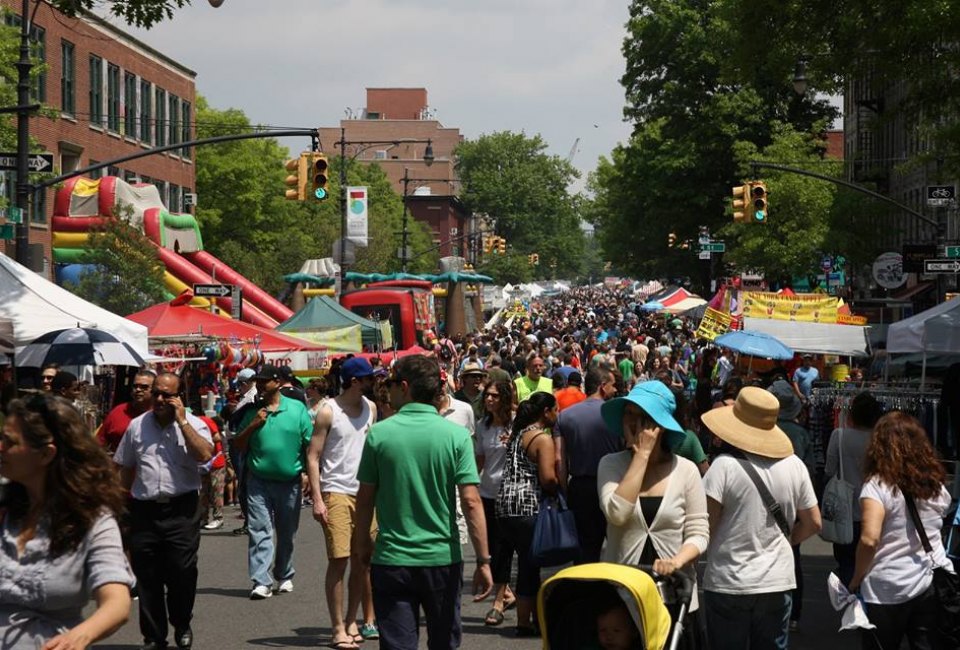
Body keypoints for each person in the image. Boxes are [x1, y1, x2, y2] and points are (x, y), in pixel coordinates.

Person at [353, 354, 493, 649]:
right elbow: (470, 501)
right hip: (442, 557)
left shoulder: (378, 435)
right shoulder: (455, 436)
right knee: (444, 641)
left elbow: (365, 500)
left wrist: (361, 544)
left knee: (397, 643)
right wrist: (483, 560)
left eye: (390, 383)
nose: (387, 390)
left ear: (404, 386)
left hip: (392, 558)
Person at [0, 393, 134, 648]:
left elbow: (117, 603)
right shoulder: (6, 509)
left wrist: (79, 636)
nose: (0, 447)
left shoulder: (92, 520)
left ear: (45, 454)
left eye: (9, 441)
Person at [699, 387, 821, 650]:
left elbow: (707, 525)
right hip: (777, 580)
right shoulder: (795, 465)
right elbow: (813, 522)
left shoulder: (723, 466)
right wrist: (788, 540)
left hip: (729, 580)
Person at [598, 381, 709, 648]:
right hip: (622, 596)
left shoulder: (686, 471)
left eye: (642, 418)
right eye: (629, 414)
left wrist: (677, 560)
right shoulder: (610, 465)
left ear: (659, 425)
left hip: (675, 596)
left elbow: (699, 532)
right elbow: (617, 513)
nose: (633, 424)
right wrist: (641, 457)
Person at [114, 371, 214, 650]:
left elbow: (205, 455)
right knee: (147, 577)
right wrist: (116, 503)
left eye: (166, 395)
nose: (159, 399)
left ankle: (181, 621)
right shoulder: (137, 426)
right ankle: (154, 637)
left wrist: (182, 421)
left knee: (182, 570)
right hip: (144, 510)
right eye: (155, 393)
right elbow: (123, 467)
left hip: (181, 510)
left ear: (178, 397)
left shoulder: (193, 424)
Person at [847, 412, 955, 650]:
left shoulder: (877, 486)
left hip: (886, 586)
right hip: (928, 580)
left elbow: (869, 539)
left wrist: (856, 579)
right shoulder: (935, 484)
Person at [306, 357, 378, 649]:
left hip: (366, 494)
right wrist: (318, 498)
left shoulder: (371, 408)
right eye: (369, 379)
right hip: (336, 491)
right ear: (354, 381)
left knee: (363, 561)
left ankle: (352, 620)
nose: (374, 383)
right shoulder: (327, 411)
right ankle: (337, 627)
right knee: (338, 561)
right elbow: (313, 456)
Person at [233, 364, 313, 600]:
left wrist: (308, 474)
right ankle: (261, 580)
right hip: (258, 480)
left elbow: (308, 444)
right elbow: (238, 445)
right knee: (259, 530)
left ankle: (284, 574)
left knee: (287, 532)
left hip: (290, 481)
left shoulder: (297, 409)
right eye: (258, 381)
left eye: (264, 381)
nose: (259, 385)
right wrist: (253, 425)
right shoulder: (252, 411)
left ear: (277, 383)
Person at [496, 391, 560, 636]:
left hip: (505, 506)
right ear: (546, 412)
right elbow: (547, 478)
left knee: (526, 562)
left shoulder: (518, 434)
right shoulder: (542, 439)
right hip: (527, 506)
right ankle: (526, 622)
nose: (558, 414)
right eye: (555, 409)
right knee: (530, 565)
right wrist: (558, 488)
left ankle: (529, 619)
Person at [554, 367, 619, 564]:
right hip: (615, 487)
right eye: (613, 385)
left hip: (581, 488)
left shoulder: (564, 416)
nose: (615, 390)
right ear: (603, 386)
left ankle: (583, 590)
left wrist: (564, 490)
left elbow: (559, 459)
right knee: (618, 547)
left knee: (585, 550)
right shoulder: (617, 415)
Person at [767, 379, 815, 633]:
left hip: (764, 499)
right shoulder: (801, 434)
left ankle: (771, 605)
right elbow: (812, 469)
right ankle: (793, 613)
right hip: (795, 503)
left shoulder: (763, 431)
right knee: (793, 557)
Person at [824, 392, 883, 586]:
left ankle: (850, 602)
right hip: (875, 509)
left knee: (846, 561)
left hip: (845, 509)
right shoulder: (880, 440)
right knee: (871, 562)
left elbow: (829, 469)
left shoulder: (839, 436)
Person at [474, 377, 518, 627]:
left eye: (494, 395)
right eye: (486, 395)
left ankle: (498, 603)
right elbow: (480, 460)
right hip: (487, 492)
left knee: (503, 548)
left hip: (512, 494)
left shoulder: (517, 422)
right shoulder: (483, 425)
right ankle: (507, 592)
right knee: (491, 547)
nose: (489, 399)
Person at [97, 369, 156, 454]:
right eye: (135, 386)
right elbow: (100, 442)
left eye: (144, 387)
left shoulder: (160, 414)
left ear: (154, 389)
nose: (138, 390)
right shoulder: (118, 411)